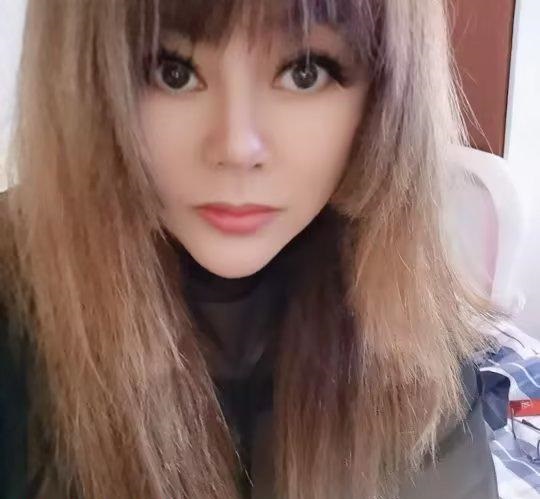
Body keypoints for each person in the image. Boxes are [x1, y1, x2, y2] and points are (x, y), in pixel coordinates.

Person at [0, 1, 499, 498]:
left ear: (385, 95)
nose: (238, 147)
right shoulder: (18, 306)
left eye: (305, 72)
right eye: (172, 72)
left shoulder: (407, 327)